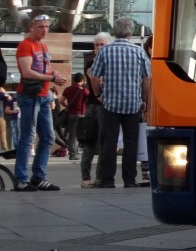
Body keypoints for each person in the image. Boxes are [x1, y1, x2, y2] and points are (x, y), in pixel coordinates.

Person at [90, 18, 151, 189]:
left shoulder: (105, 51)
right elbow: (146, 78)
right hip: (132, 104)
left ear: (114, 31)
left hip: (110, 104)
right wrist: (143, 99)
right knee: (131, 142)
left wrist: (98, 94)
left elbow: (94, 76)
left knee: (110, 142)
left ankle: (108, 179)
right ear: (131, 32)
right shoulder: (139, 52)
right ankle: (129, 179)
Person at [13, 13, 67, 191]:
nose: (44, 30)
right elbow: (26, 72)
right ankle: (21, 179)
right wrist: (51, 78)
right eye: (41, 27)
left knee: (48, 137)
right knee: (28, 137)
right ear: (32, 28)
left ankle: (38, 177)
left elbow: (46, 68)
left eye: (46, 27)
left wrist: (54, 74)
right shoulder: (25, 45)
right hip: (29, 96)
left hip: (43, 96)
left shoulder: (43, 46)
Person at [80, 32, 111, 187]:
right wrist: (99, 95)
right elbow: (94, 77)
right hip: (94, 105)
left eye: (102, 45)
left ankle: (100, 177)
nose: (99, 47)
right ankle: (86, 178)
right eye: (97, 45)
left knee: (103, 143)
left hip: (104, 105)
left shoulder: (109, 61)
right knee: (90, 142)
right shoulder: (91, 62)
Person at [62, 72, 89, 161]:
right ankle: (74, 154)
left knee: (71, 134)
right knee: (77, 135)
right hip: (80, 114)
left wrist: (67, 106)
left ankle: (72, 152)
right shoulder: (83, 90)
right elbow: (89, 99)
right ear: (82, 80)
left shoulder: (67, 89)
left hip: (70, 114)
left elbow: (61, 100)